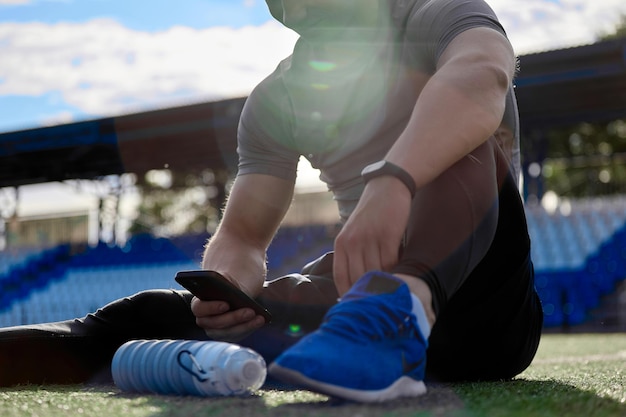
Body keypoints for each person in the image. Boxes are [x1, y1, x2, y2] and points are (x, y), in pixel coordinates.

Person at [0, 0, 543, 403]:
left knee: (473, 147)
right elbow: (241, 236)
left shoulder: (435, 13)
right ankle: (359, 333)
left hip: (480, 310)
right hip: (348, 303)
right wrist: (229, 291)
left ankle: (394, 315)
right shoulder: (277, 99)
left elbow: (483, 74)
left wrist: (392, 181)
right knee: (145, 315)